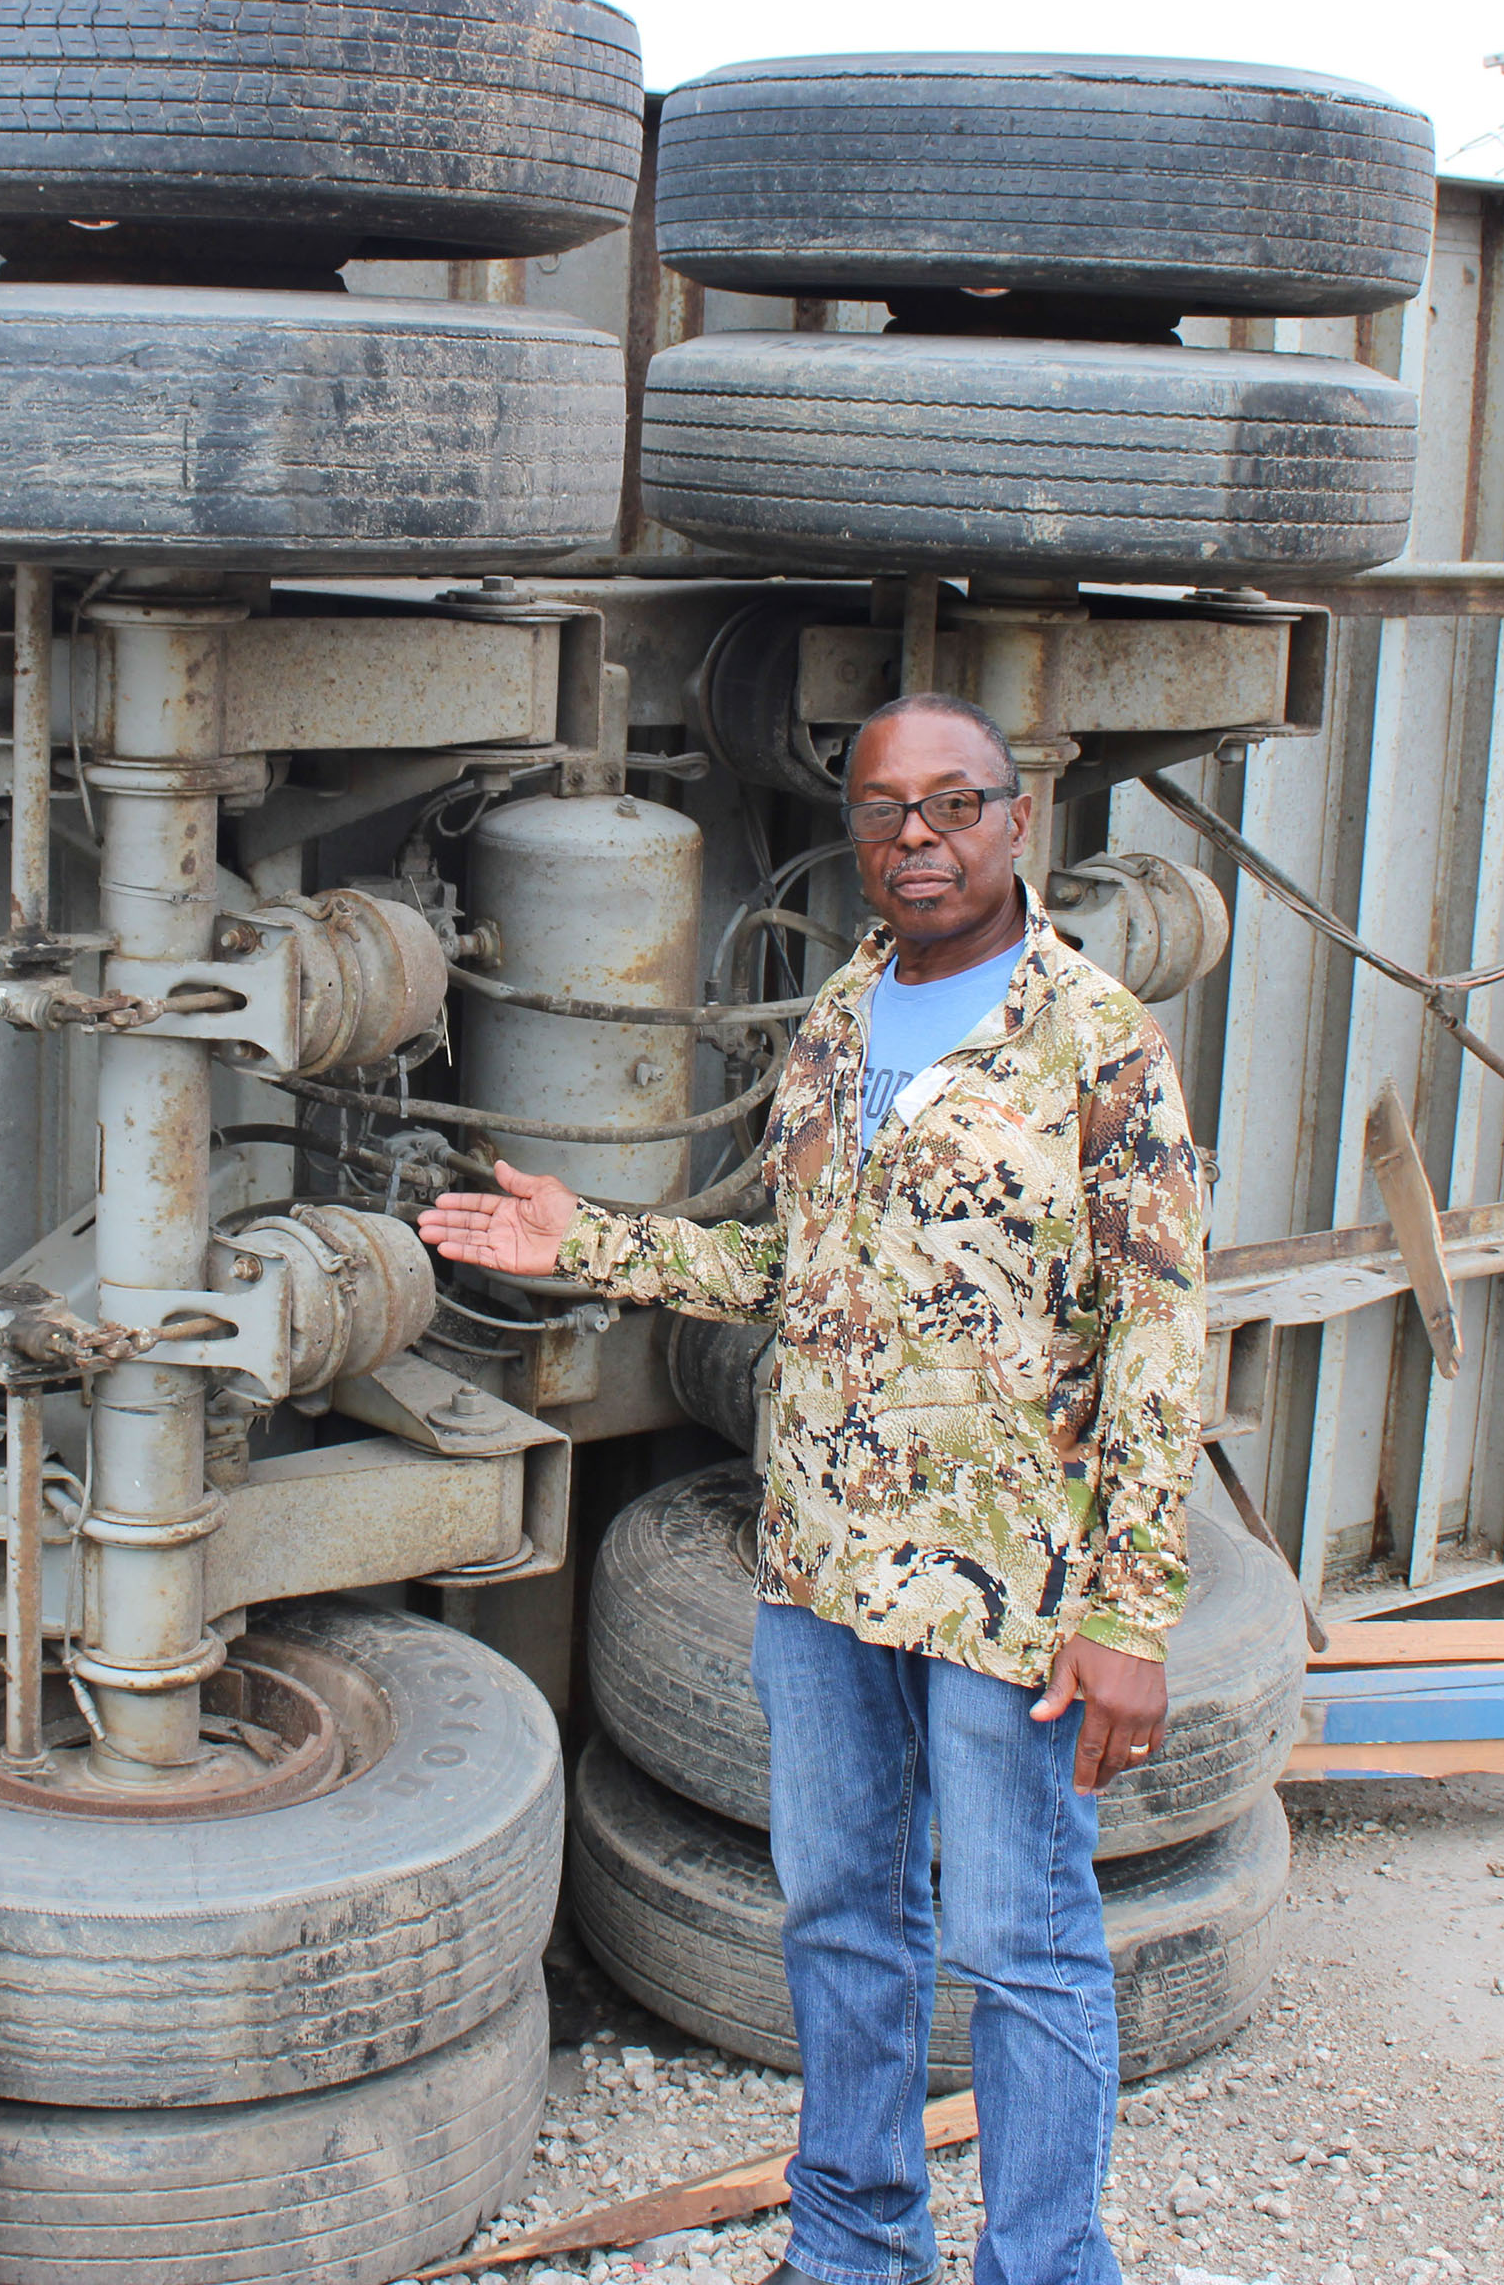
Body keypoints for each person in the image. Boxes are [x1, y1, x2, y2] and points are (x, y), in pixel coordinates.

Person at [418, 693, 1209, 2285]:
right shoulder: (840, 1019)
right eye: (882, 809)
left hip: (1009, 1593)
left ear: (1013, 818)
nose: (915, 837)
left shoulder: (1093, 1039)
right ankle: (854, 2252)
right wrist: (590, 1245)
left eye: (951, 803)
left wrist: (1129, 1612)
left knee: (1021, 1949)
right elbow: (790, 1271)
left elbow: (1161, 1337)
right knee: (843, 1926)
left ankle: (1046, 2268)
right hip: (825, 1569)